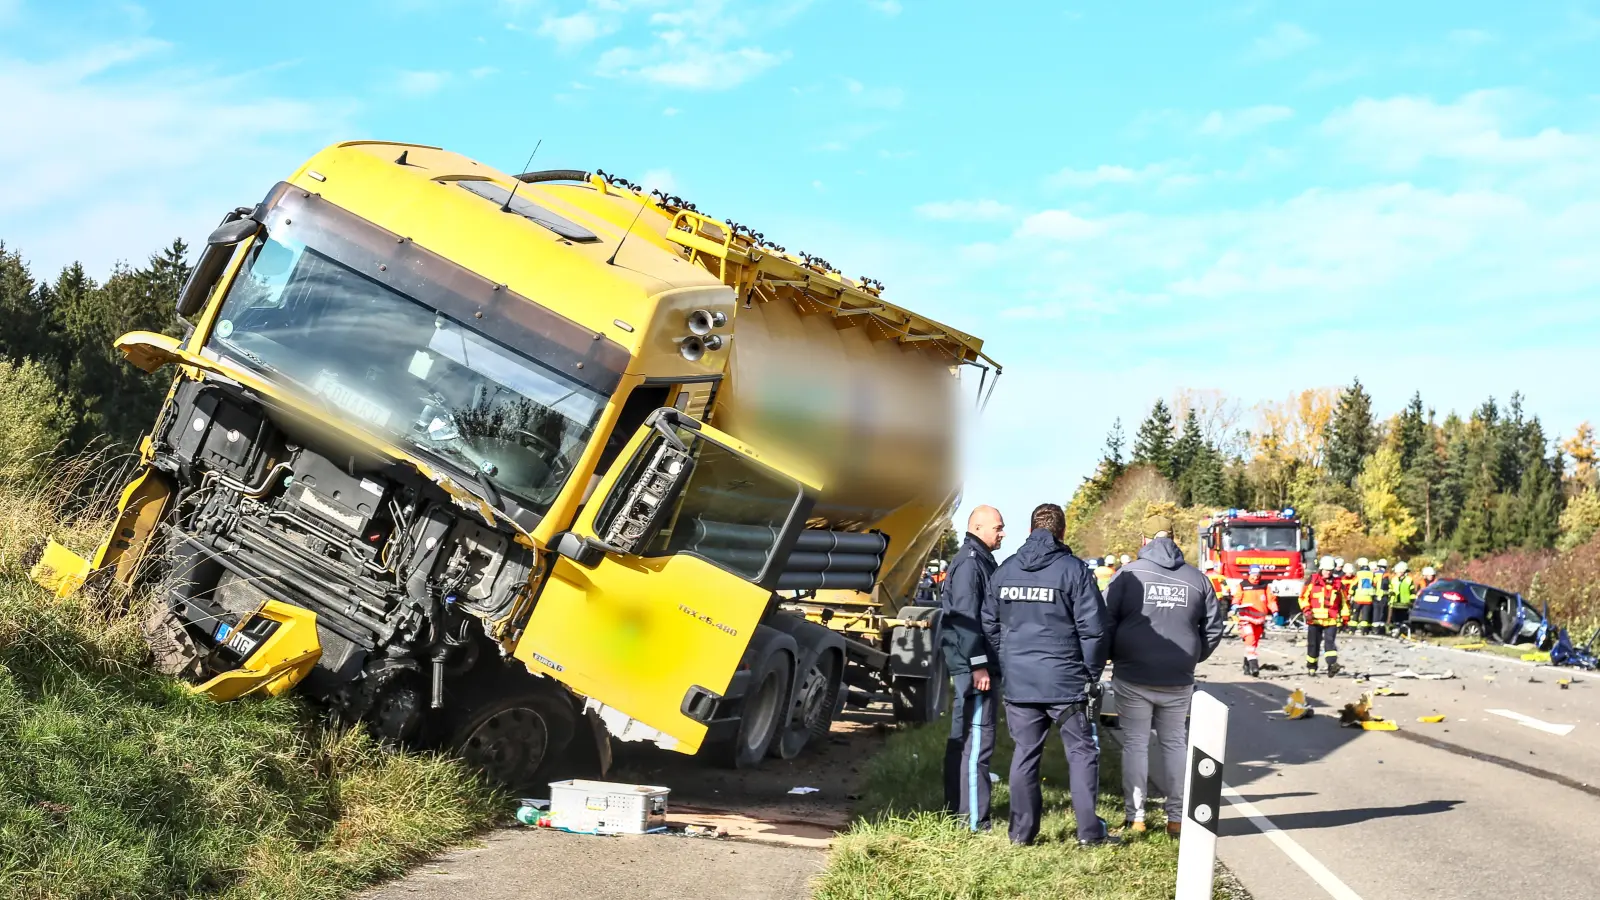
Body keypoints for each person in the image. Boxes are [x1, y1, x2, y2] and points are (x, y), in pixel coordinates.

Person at [982, 503, 1113, 847]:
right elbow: (1094, 630)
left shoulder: (1006, 570)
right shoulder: (1074, 571)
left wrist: (1007, 660)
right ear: (1062, 532)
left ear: (1030, 530)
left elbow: (989, 623)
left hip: (1020, 682)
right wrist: (1090, 673)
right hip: (1065, 682)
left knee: (1025, 753)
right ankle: (1089, 833)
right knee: (1082, 753)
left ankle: (1021, 834)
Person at [1105, 513, 1226, 836]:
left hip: (1132, 673)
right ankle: (1176, 818)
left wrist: (1111, 655)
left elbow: (1104, 620)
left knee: (1135, 743)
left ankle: (1136, 818)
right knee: (1174, 743)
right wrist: (1193, 657)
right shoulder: (1198, 579)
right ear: (1173, 539)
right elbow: (1214, 627)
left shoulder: (1127, 575)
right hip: (1178, 676)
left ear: (1144, 540)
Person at [939, 505, 1005, 831]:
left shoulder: (978, 559)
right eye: (998, 527)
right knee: (976, 741)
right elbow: (966, 618)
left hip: (970, 663)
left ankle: (956, 810)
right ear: (978, 527)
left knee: (964, 738)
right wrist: (979, 665)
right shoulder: (970, 563)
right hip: (973, 667)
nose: (1003, 533)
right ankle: (973, 821)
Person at [1302, 556, 1347, 676]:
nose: (1328, 572)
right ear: (1321, 569)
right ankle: (1312, 667)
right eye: (1326, 570)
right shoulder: (1312, 580)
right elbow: (1303, 597)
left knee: (1330, 643)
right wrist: (1307, 611)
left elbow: (1344, 602)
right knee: (1313, 644)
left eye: (1330, 570)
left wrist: (1345, 618)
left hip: (1331, 619)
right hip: (1314, 620)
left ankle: (1332, 665)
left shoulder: (1338, 583)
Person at [1234, 566, 1277, 677]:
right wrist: (1235, 605)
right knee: (1250, 640)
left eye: (1257, 574)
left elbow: (1271, 600)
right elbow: (1237, 597)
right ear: (1249, 574)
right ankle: (1254, 666)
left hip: (1259, 621)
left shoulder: (1265, 586)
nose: (1255, 577)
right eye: (1253, 574)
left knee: (1252, 644)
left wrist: (1275, 610)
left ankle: (1246, 666)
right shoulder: (1243, 585)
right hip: (1246, 619)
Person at [1350, 558, 1377, 634]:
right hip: (1368, 599)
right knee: (1365, 615)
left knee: (1355, 614)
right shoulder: (1372, 575)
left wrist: (1350, 593)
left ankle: (1352, 630)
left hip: (1358, 598)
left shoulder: (1358, 574)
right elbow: (1375, 584)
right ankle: (1364, 630)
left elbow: (1353, 585)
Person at [1390, 561, 1415, 636]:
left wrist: (1412, 601)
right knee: (1395, 619)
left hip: (1405, 604)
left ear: (1402, 571)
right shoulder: (1394, 579)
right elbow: (1390, 588)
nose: (1396, 573)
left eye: (1398, 571)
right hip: (1395, 603)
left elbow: (1412, 591)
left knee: (1404, 619)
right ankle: (1396, 630)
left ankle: (1404, 632)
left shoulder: (1409, 580)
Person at [1372, 559, 1392, 637]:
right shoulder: (1386, 575)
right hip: (1383, 597)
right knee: (1382, 613)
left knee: (1376, 613)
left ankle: (1374, 629)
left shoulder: (1374, 574)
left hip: (1375, 597)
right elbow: (1387, 586)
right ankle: (1380, 630)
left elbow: (1373, 584)